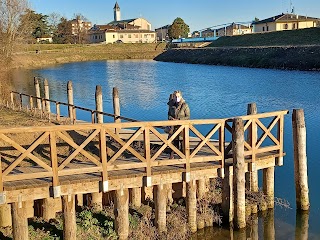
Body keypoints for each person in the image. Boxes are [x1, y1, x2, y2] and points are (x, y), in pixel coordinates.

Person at [167, 90, 190, 159]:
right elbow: (169, 115)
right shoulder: (171, 105)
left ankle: (184, 158)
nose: (177, 98)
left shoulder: (185, 105)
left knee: (182, 142)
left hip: (182, 127)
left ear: (181, 96)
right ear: (173, 97)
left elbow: (188, 116)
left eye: (178, 96)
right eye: (176, 96)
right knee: (172, 141)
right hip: (173, 127)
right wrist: (171, 119)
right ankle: (171, 157)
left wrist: (179, 120)